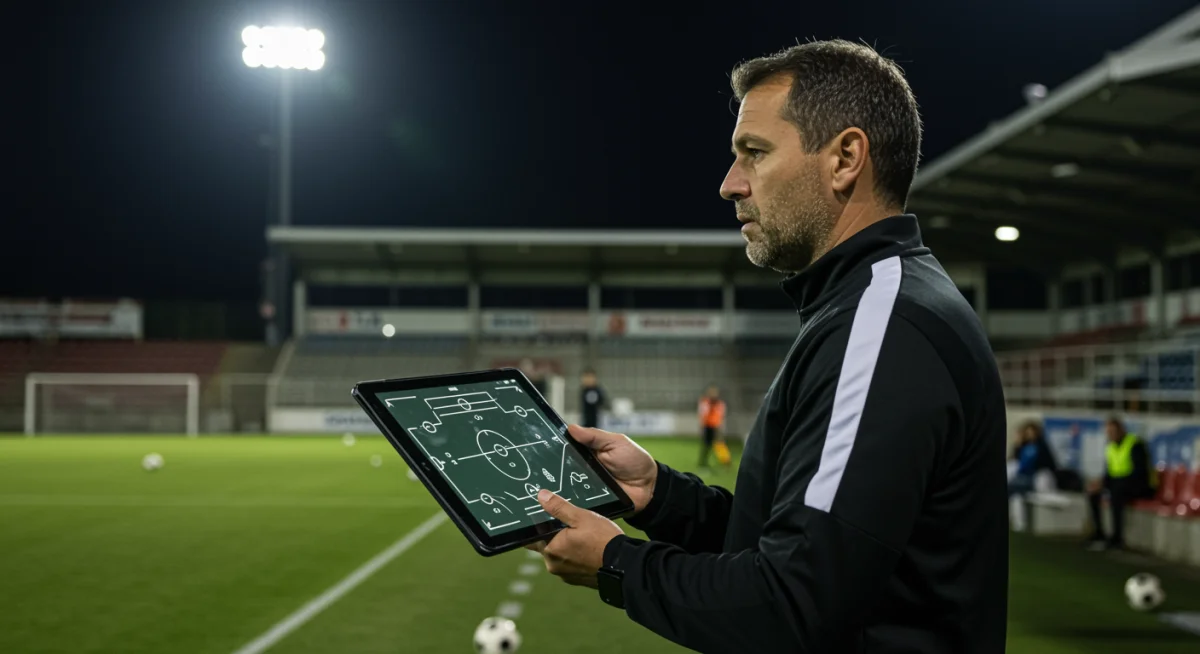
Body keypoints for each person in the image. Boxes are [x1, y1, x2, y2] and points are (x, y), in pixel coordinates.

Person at [526, 40, 1008, 653]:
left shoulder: (883, 326)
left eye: (754, 153)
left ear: (845, 158)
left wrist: (617, 563)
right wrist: (660, 497)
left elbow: (792, 603)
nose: (730, 184)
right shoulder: (869, 305)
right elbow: (798, 539)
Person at [1086, 416, 1157, 551]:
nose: (1110, 435)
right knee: (1093, 493)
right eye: (1108, 432)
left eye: (1113, 431)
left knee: (1116, 493)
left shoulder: (1135, 444)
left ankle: (1117, 537)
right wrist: (1099, 484)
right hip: (1120, 484)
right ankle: (1099, 532)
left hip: (1141, 486)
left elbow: (1140, 472)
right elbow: (1110, 473)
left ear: (1121, 430)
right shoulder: (1110, 447)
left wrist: (1112, 483)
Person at [1008, 420, 1058, 498]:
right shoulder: (1023, 446)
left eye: (1032, 432)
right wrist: (1018, 444)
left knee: (1042, 479)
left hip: (1038, 475)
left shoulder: (1041, 446)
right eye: (1027, 433)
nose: (1030, 435)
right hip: (1023, 476)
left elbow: (1048, 463)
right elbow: (1016, 460)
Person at [696, 384, 728, 469]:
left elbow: (721, 416)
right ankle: (703, 462)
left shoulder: (720, 404)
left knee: (719, 444)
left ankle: (725, 461)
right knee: (707, 445)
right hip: (708, 426)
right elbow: (702, 414)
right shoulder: (705, 402)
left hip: (716, 427)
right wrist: (702, 426)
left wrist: (721, 427)